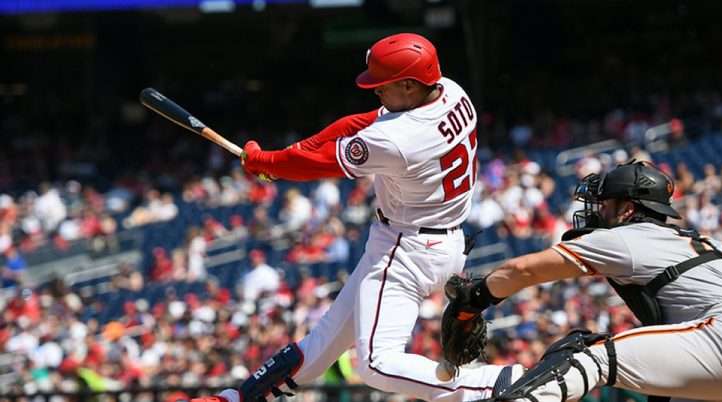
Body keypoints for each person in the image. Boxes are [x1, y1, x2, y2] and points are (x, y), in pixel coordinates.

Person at [194, 33, 510, 402]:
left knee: (375, 364)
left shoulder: (398, 139)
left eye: (382, 86)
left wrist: (269, 164)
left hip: (407, 247)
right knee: (324, 341)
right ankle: (239, 398)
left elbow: (321, 164)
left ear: (409, 84)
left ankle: (489, 385)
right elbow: (356, 125)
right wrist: (288, 154)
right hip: (441, 241)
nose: (375, 91)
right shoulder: (451, 92)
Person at [447, 160, 722, 402]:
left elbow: (524, 270)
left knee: (584, 354)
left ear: (627, 209)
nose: (597, 211)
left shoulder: (627, 237)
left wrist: (474, 298)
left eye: (605, 204)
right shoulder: (720, 247)